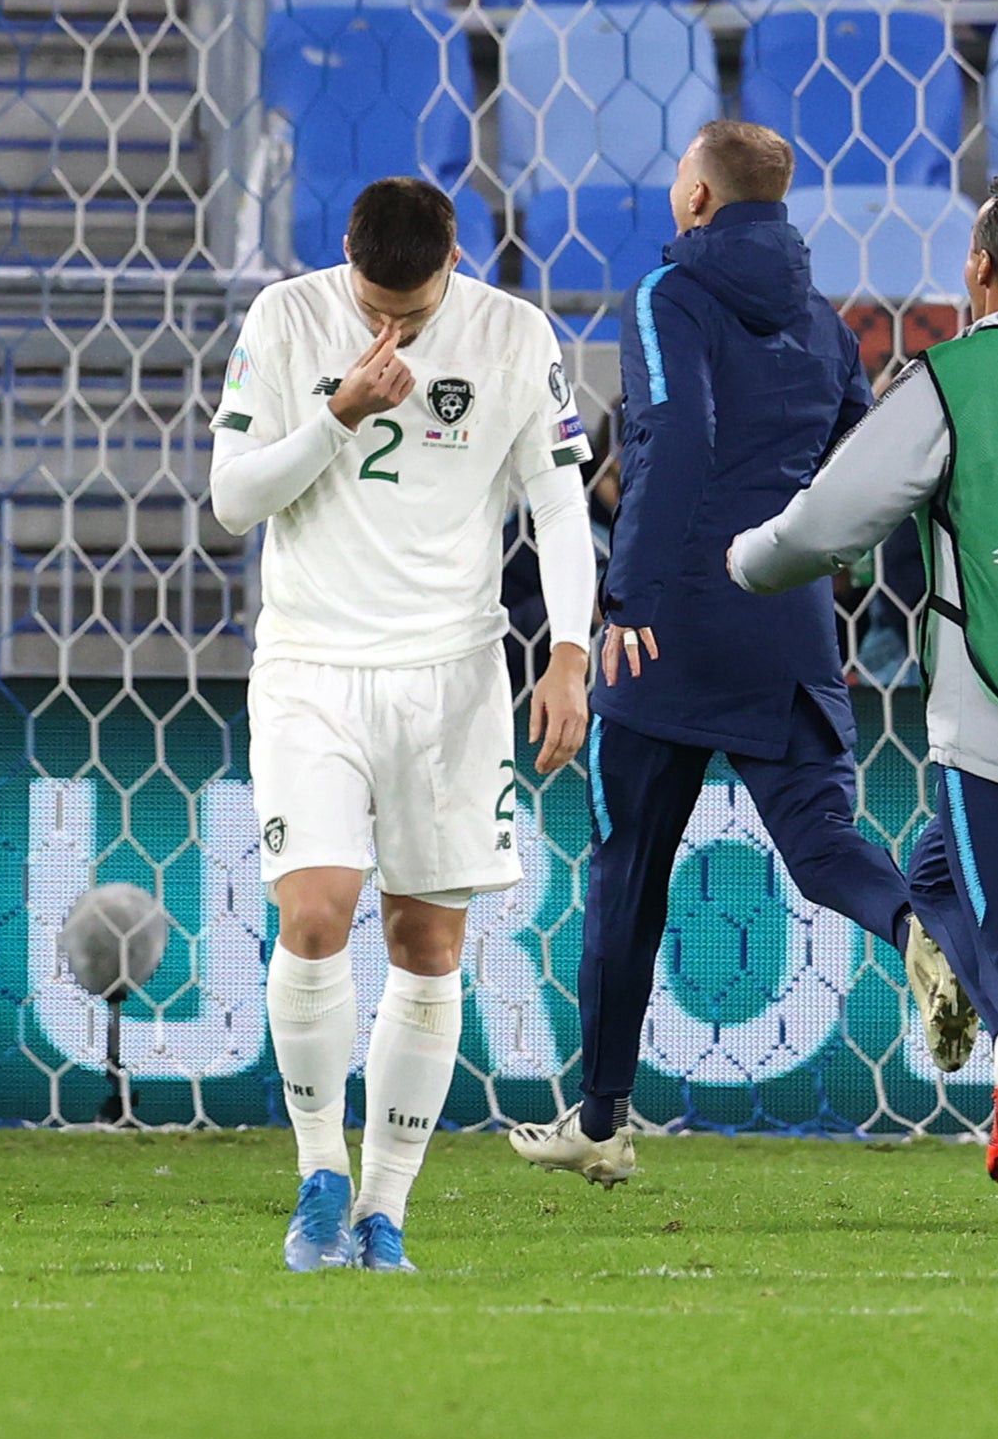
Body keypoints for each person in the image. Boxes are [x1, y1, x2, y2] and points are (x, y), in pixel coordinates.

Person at [514, 123, 972, 1187]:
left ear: (698, 199)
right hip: (788, 614)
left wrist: (622, 591)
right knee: (820, 842)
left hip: (665, 625)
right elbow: (858, 462)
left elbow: (671, 439)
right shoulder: (822, 322)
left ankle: (603, 1117)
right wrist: (835, 576)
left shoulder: (666, 298)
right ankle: (914, 924)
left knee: (628, 873)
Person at [209, 176, 595, 1272]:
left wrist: (567, 649)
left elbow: (560, 503)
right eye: (375, 304)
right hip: (313, 664)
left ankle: (384, 1209)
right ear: (343, 254)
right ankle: (318, 1177)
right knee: (316, 915)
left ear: (455, 263)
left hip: (453, 675)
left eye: (414, 313)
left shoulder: (513, 335)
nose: (392, 329)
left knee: (427, 943)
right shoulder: (284, 317)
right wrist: (337, 412)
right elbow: (233, 498)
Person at [731, 193, 998, 1171]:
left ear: (975, 271)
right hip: (963, 761)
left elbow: (823, 525)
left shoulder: (953, 383)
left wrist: (747, 562)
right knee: (934, 884)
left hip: (988, 741)